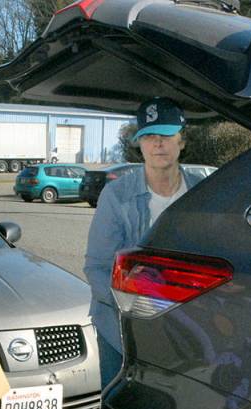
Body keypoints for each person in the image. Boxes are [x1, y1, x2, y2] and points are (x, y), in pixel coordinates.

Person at [83, 96, 205, 386]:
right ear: (140, 144)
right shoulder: (117, 195)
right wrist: (136, 310)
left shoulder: (202, 195)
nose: (158, 144)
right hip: (122, 330)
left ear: (182, 141)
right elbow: (97, 267)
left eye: (165, 135)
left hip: (186, 326)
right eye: (149, 136)